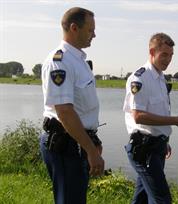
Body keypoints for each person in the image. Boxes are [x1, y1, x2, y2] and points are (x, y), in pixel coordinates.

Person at [40, 7, 104, 204]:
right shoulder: (59, 61)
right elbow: (65, 112)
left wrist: (93, 142)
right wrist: (91, 151)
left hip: (77, 142)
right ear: (74, 28)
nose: (94, 34)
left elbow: (82, 110)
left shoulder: (79, 60)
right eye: (90, 29)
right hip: (65, 145)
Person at [123, 32, 178, 204]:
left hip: (157, 147)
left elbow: (158, 113)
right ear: (152, 52)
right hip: (144, 150)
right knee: (162, 199)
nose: (168, 59)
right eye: (164, 55)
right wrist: (175, 121)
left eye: (171, 55)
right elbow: (138, 116)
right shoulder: (139, 79)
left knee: (141, 198)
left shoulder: (161, 78)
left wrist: (164, 139)